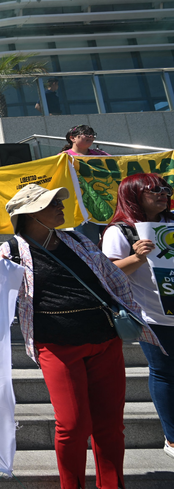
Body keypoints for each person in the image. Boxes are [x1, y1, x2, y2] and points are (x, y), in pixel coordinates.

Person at [0, 183, 160, 489]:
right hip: (56, 347)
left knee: (110, 425)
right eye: (51, 204)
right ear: (30, 214)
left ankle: (112, 485)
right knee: (72, 425)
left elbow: (111, 278)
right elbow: (0, 297)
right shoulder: (12, 251)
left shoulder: (78, 241)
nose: (60, 206)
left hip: (104, 341)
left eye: (58, 202)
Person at [101, 173, 174, 460]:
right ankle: (172, 438)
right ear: (133, 194)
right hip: (154, 317)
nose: (162, 194)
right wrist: (137, 257)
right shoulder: (120, 232)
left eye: (165, 189)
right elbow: (107, 275)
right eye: (153, 190)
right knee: (165, 375)